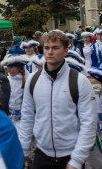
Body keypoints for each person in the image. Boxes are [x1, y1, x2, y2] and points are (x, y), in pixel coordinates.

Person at [19, 30, 97, 169]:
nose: (50, 52)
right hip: (41, 154)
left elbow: (89, 122)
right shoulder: (33, 79)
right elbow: (27, 116)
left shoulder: (80, 81)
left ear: (66, 51)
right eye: (47, 48)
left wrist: (77, 160)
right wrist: (24, 149)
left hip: (70, 156)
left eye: (55, 48)